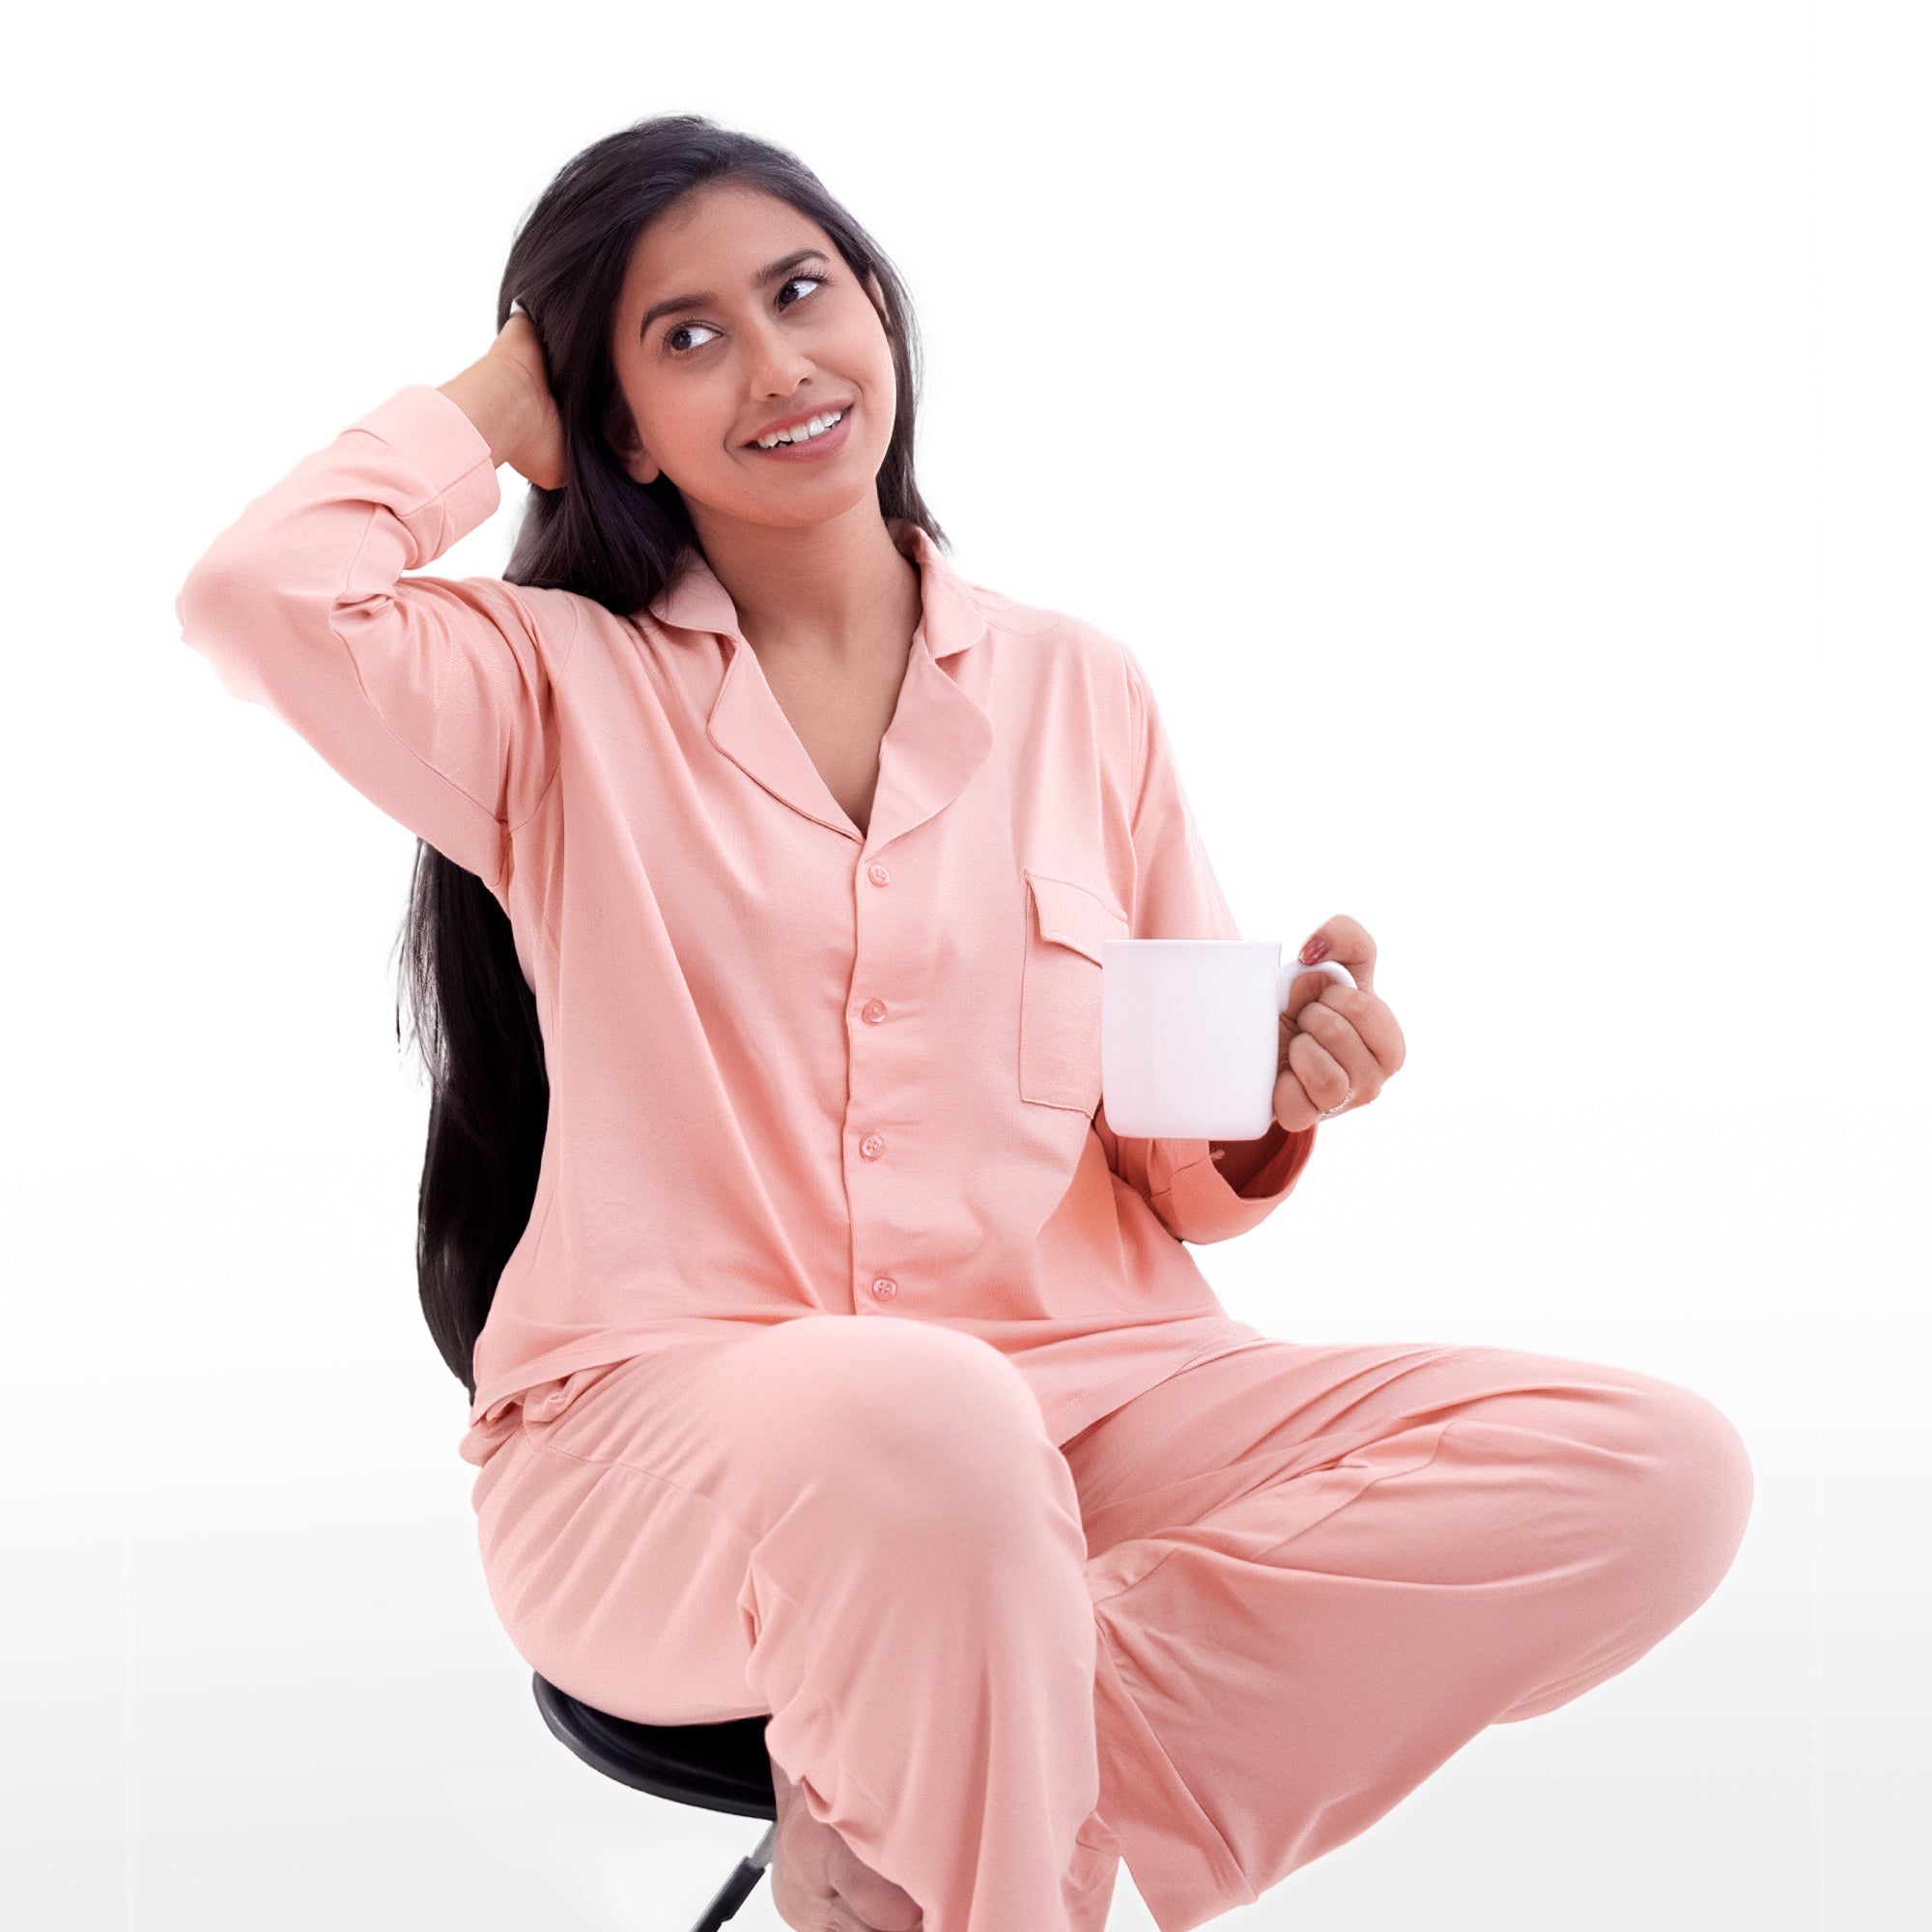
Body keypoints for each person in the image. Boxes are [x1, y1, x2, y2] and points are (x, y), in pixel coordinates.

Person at [173, 114, 1754, 1932]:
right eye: (684, 339)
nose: (779, 366)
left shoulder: (1082, 687)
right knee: (928, 1415)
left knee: (1650, 1472)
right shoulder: (546, 692)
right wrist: (488, 399)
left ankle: (934, 1809)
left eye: (802, 293)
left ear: (882, 317)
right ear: (611, 424)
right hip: (669, 1448)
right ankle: (977, 1810)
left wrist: (1268, 1092)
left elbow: (1170, 1162)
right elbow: (255, 594)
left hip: (1099, 1398)